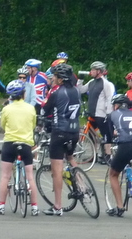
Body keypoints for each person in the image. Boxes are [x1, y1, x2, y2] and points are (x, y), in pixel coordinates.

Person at [0, 80, 40, 216]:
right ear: (24, 94)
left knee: (5, 176)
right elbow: (33, 124)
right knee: (30, 177)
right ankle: (34, 207)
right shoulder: (30, 108)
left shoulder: (6, 109)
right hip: (25, 144)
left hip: (9, 144)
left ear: (11, 96)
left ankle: (1, 206)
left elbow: (3, 125)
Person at [41, 63, 81, 216]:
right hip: (74, 131)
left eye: (55, 76)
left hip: (60, 132)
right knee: (70, 157)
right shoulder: (76, 91)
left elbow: (45, 109)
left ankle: (58, 206)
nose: (54, 78)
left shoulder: (56, 92)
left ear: (60, 78)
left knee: (56, 171)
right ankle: (82, 187)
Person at [76, 61, 116, 164]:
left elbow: (109, 98)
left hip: (101, 114)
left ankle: (108, 156)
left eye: (93, 70)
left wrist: (108, 113)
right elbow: (80, 90)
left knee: (106, 136)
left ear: (99, 71)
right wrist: (80, 79)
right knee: (92, 136)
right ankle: (93, 157)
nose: (91, 72)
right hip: (92, 113)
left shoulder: (105, 84)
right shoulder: (91, 82)